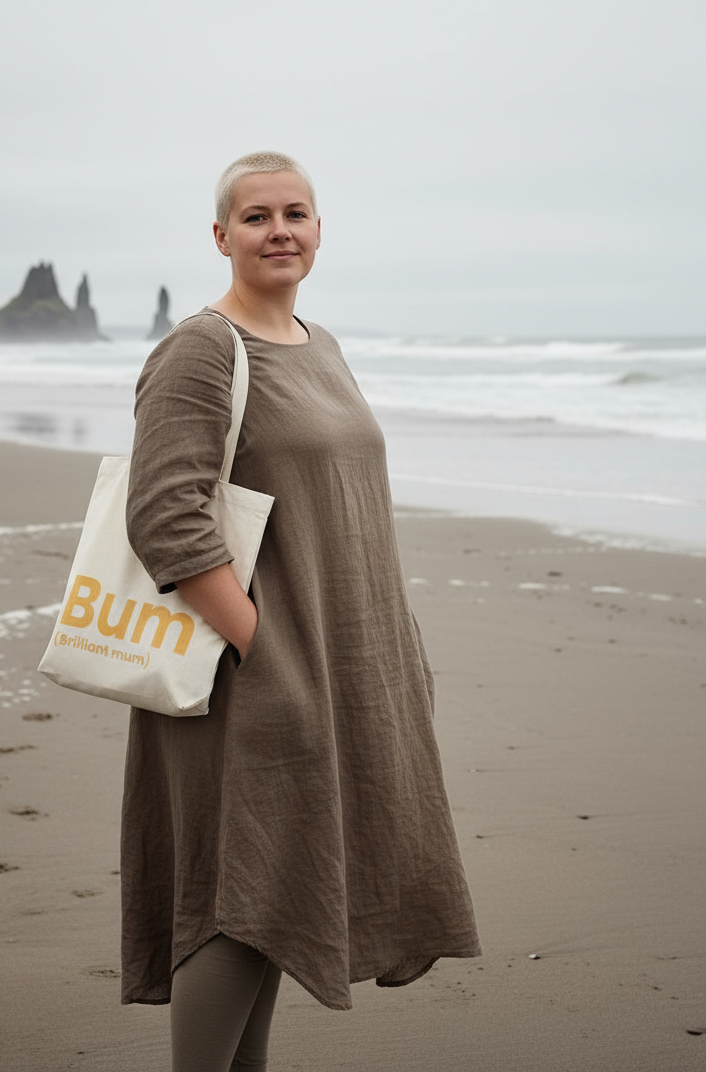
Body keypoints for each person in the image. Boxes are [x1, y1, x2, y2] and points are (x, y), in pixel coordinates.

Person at [123, 151, 480, 1072]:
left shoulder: (318, 343)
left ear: (319, 229)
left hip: (339, 661)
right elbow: (165, 517)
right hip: (253, 670)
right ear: (221, 236)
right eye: (256, 217)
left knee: (278, 891)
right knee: (238, 896)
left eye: (297, 213)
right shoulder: (204, 348)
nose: (279, 230)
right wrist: (267, 650)